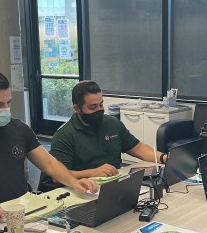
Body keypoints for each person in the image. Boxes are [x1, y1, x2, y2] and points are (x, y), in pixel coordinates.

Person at [0, 70, 98, 222]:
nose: (5, 109)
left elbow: (49, 164)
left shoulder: (19, 129)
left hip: (24, 212)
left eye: (8, 102)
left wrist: (74, 182)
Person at [39, 80, 167, 189]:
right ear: (77, 109)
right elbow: (57, 177)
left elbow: (138, 148)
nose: (99, 110)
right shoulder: (64, 135)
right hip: (83, 191)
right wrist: (92, 173)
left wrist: (164, 158)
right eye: (93, 107)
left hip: (114, 186)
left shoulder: (112, 123)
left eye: (101, 105)